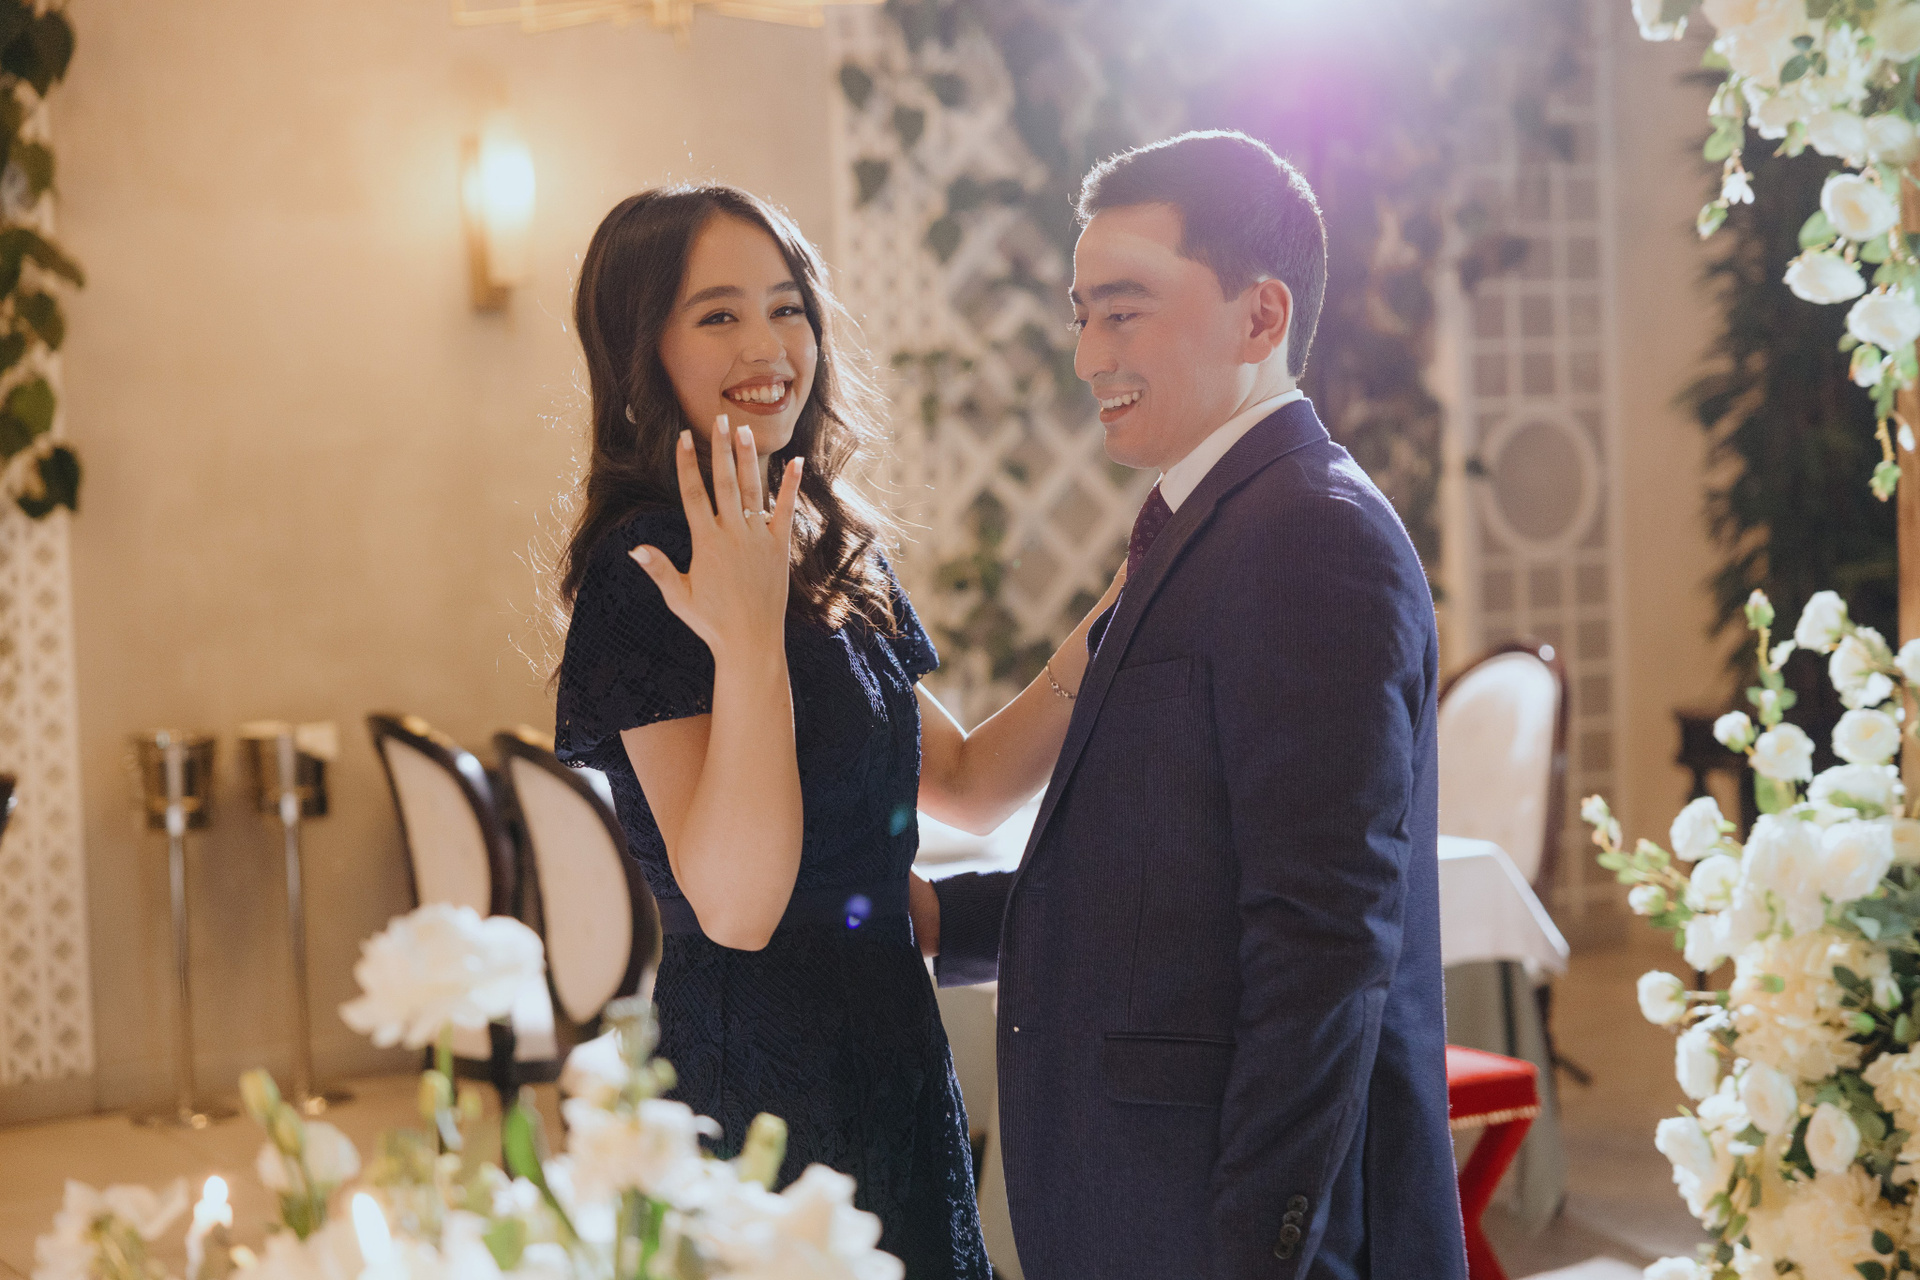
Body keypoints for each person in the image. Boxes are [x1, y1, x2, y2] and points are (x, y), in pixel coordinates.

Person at [551, 183, 1123, 1279]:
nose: (768, 346)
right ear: (641, 348)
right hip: (757, 1086)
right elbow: (739, 906)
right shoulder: (646, 569)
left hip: (895, 1048)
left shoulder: (819, 533)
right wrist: (746, 637)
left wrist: (1124, 609)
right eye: (718, 314)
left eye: (788, 307)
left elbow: (966, 782)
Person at [922, 131, 1467, 1279]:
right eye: (1082, 314)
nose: (1088, 355)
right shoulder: (1203, 525)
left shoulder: (1311, 535)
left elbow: (1322, 949)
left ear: (1261, 316)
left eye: (1124, 311)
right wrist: (941, 920)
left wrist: (1256, 1251)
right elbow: (1164, 874)